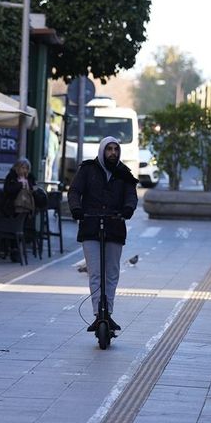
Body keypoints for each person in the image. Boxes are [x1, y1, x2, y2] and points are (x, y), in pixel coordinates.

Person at [68, 137, 138, 331]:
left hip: (115, 226)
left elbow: (131, 195)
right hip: (90, 226)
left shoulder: (124, 173)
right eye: (109, 149)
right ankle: (98, 313)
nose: (113, 152)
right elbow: (74, 191)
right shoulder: (87, 169)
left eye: (116, 149)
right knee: (95, 273)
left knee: (112, 273)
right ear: (102, 151)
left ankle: (109, 312)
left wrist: (128, 208)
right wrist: (76, 209)